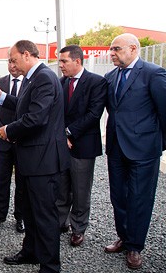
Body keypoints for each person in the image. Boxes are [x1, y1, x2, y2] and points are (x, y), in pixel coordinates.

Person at [0, 40, 70, 273]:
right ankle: (31, 252)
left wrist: (9, 130)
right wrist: (3, 97)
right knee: (31, 211)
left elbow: (36, 117)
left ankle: (49, 266)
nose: (12, 65)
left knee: (44, 215)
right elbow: (25, 106)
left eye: (14, 60)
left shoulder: (44, 77)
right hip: (32, 159)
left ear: (27, 55)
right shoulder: (32, 78)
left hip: (43, 160)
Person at [103, 33, 166, 270]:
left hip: (144, 150)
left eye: (116, 49)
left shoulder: (153, 73)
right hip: (116, 148)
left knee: (140, 199)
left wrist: (158, 145)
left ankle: (135, 247)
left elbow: (164, 112)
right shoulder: (110, 77)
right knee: (118, 196)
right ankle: (124, 236)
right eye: (111, 49)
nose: (112, 53)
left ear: (133, 48)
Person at [56, 45, 107, 247]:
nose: (60, 66)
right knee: (61, 187)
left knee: (81, 189)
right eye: (59, 61)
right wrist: (61, 135)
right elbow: (56, 113)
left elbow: (94, 114)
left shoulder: (96, 82)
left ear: (77, 61)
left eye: (64, 61)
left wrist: (69, 133)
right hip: (62, 145)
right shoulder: (60, 83)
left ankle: (78, 228)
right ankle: (61, 222)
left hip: (83, 145)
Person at [0, 59, 25, 233]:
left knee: (22, 181)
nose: (12, 65)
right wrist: (0, 130)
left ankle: (20, 217)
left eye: (15, 62)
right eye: (9, 62)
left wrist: (13, 131)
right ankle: (0, 214)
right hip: (2, 141)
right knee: (2, 180)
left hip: (22, 141)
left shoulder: (30, 83)